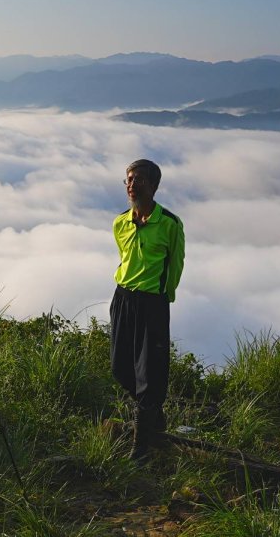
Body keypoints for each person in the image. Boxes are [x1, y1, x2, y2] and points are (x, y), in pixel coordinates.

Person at [110, 159, 185, 462]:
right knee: (120, 367)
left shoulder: (169, 223)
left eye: (138, 180)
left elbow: (176, 264)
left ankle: (141, 449)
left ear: (153, 185)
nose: (131, 185)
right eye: (128, 180)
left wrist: (162, 298)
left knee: (150, 373)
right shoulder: (120, 223)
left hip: (153, 301)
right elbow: (124, 257)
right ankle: (154, 413)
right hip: (123, 298)